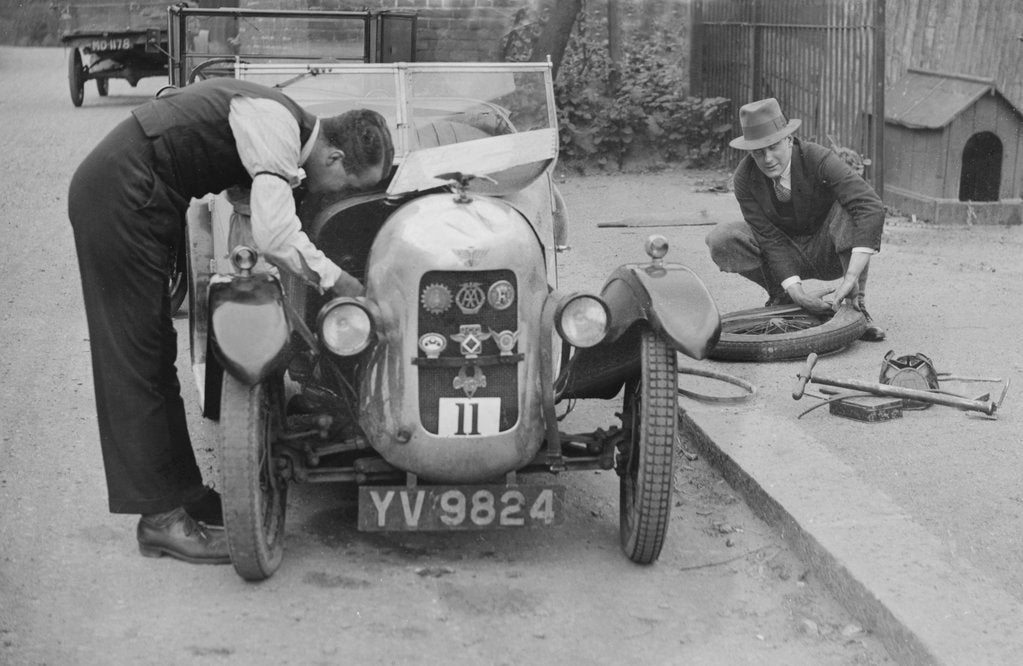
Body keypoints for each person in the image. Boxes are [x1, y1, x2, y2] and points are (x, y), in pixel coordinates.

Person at [68, 78, 394, 565]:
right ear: (334, 159)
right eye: (349, 185)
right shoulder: (277, 127)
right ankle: (160, 521)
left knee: (156, 354)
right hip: (121, 195)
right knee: (133, 361)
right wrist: (341, 282)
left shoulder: (283, 121)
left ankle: (184, 492)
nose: (340, 193)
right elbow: (274, 232)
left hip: (139, 195)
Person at [705, 97, 886, 341]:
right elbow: (768, 237)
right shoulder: (745, 178)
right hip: (783, 253)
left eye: (773, 147)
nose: (767, 159)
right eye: (758, 152)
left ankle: (854, 305)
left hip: (829, 250)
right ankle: (784, 299)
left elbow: (870, 205)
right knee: (723, 238)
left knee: (849, 207)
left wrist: (851, 276)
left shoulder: (818, 158)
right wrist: (796, 291)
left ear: (788, 140)